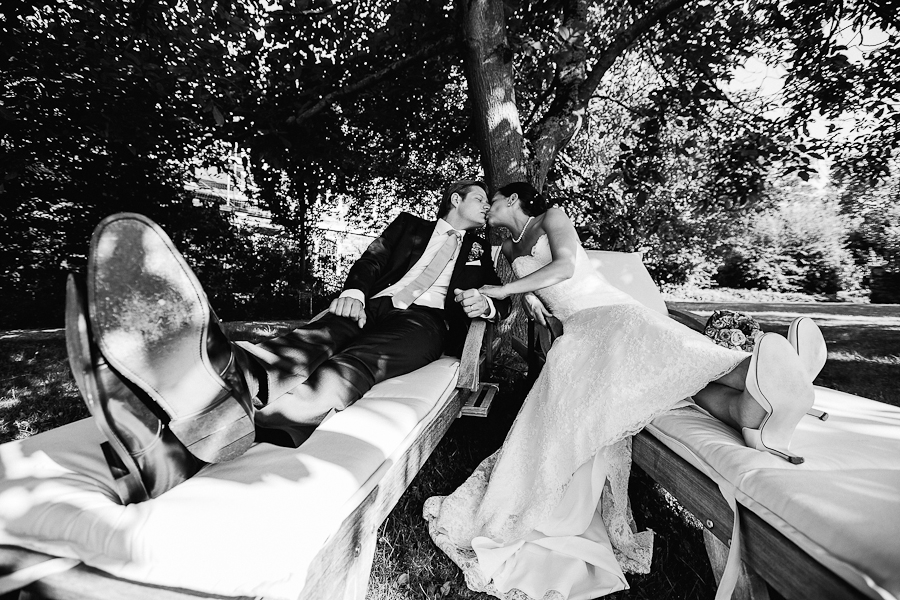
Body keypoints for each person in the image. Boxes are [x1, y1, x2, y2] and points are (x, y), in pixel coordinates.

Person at [423, 182, 824, 600]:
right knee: (674, 378)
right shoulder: (507, 247)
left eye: (491, 200)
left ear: (512, 200)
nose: (487, 208)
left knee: (662, 352)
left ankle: (770, 372)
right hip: (578, 329)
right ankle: (755, 404)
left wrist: (506, 290)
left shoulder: (551, 217)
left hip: (607, 313)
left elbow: (564, 268)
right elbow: (536, 297)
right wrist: (533, 308)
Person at [65, 179, 510, 505]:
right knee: (311, 339)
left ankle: (179, 444)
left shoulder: (480, 251)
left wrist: (486, 305)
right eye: (479, 198)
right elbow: (371, 260)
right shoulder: (410, 226)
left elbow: (501, 300)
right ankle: (224, 377)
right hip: (374, 302)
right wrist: (355, 293)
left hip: (424, 322)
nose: (486, 206)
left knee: (354, 365)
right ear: (455, 199)